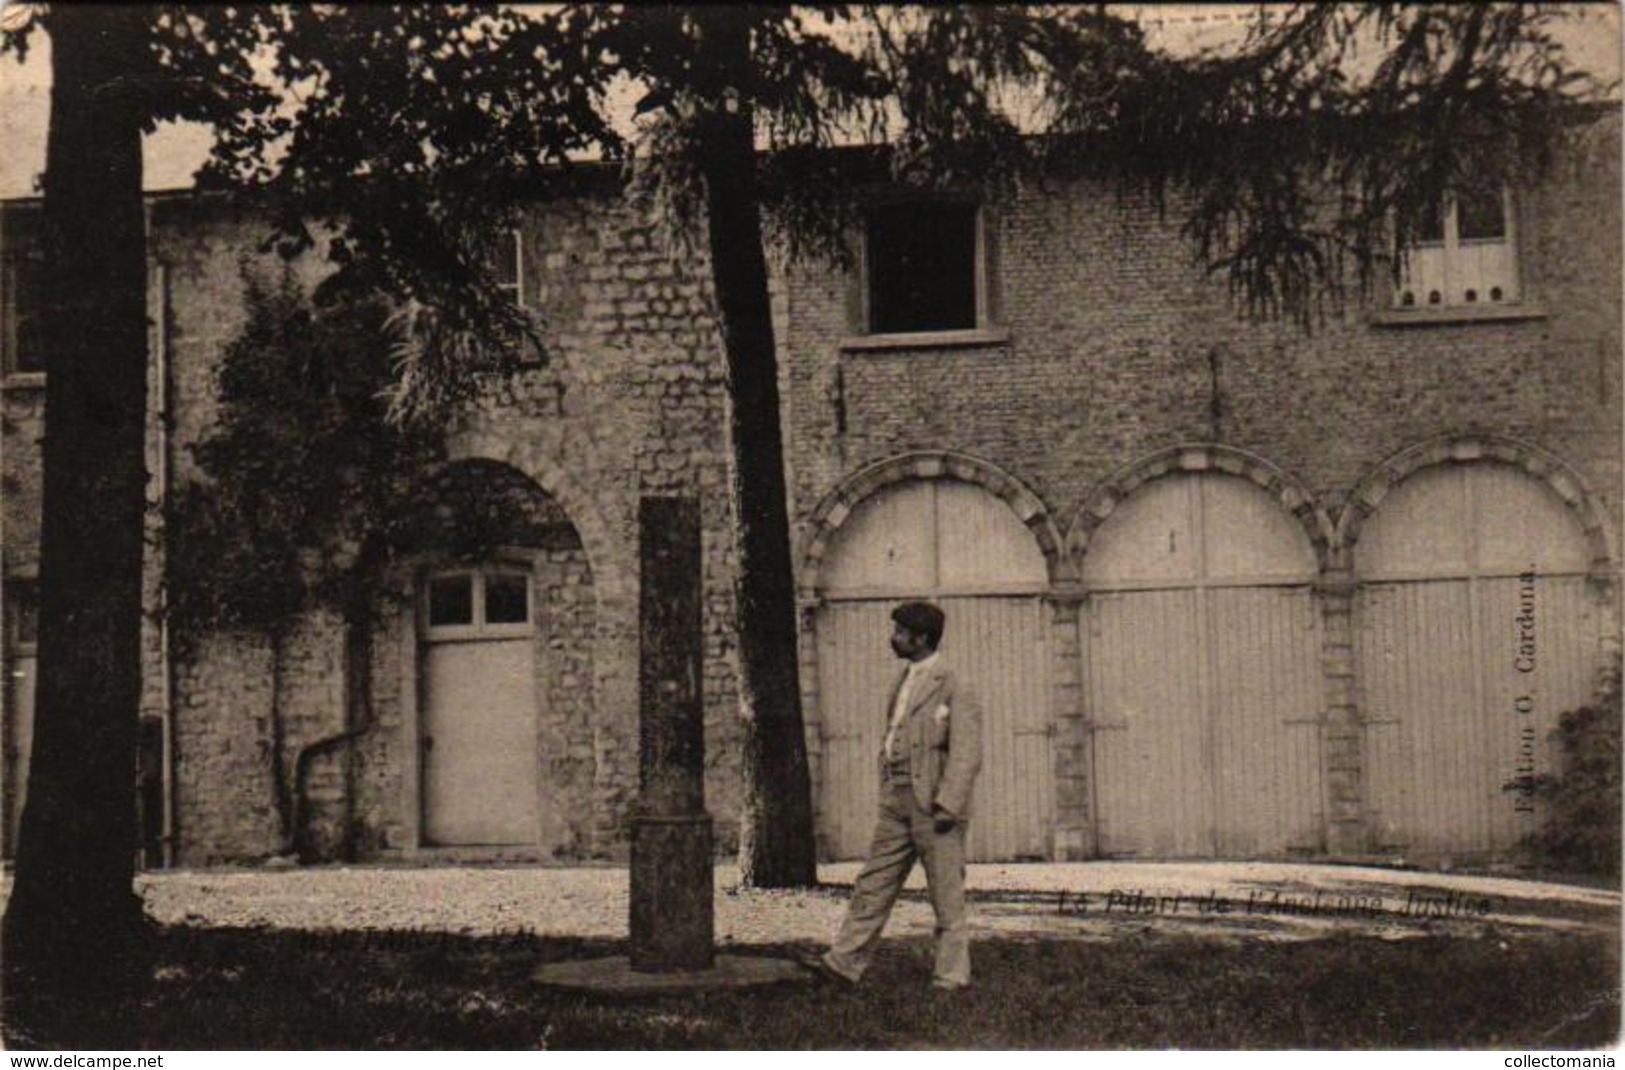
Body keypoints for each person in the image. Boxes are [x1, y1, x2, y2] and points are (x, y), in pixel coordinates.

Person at [814, 600, 983, 990]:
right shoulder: (903, 679)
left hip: (935, 806)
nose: (893, 639)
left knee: (946, 893)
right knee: (873, 882)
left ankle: (951, 977)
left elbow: (967, 752)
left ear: (921, 638)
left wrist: (948, 805)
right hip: (896, 801)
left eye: (900, 633)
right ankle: (843, 963)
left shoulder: (955, 683)